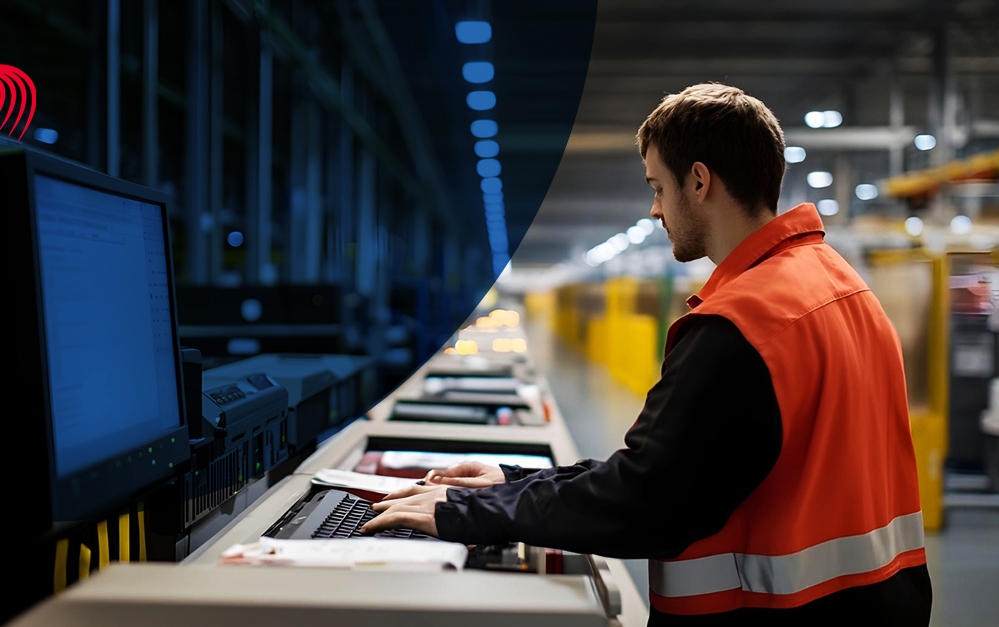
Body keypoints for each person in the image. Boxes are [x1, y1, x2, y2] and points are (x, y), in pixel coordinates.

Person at [360, 83, 933, 626]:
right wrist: (508, 480)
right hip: (877, 604)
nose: (656, 211)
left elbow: (646, 502)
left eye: (659, 187)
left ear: (700, 181)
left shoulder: (741, 324)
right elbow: (684, 468)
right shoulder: (847, 291)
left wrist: (462, 512)